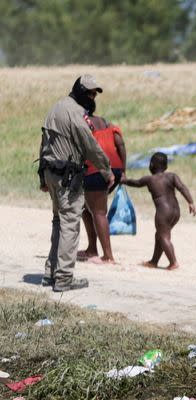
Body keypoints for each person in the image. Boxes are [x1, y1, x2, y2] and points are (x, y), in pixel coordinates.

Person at [39, 74, 114, 292]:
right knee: (70, 224)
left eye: (94, 94)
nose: (92, 98)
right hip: (67, 178)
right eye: (90, 93)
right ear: (80, 92)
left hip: (52, 173)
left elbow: (44, 141)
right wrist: (106, 169)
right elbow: (89, 145)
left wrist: (42, 176)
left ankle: (50, 273)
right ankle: (64, 278)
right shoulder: (74, 113)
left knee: (58, 223)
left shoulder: (56, 108)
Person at [121, 152, 196, 270]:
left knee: (163, 236)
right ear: (166, 166)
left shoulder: (149, 179)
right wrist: (190, 202)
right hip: (176, 212)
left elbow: (135, 183)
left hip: (163, 212)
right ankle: (154, 261)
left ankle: (173, 262)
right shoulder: (172, 176)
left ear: (151, 165)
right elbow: (182, 187)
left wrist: (124, 180)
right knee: (159, 235)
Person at [78, 114, 126, 264]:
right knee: (86, 207)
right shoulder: (108, 124)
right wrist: (123, 170)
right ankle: (92, 249)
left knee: (98, 211)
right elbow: (120, 143)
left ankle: (108, 256)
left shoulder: (83, 123)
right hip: (116, 168)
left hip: (96, 170)